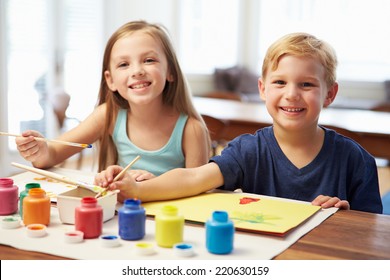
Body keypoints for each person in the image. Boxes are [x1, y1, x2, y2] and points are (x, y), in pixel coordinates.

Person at [95, 32, 383, 214]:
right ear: (262, 89)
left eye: (307, 84)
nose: (291, 94)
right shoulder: (248, 150)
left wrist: (347, 215)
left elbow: (372, 232)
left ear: (330, 93)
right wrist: (138, 189)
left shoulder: (357, 161)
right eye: (279, 82)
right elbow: (194, 177)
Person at [15, 20, 210, 181]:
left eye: (149, 60)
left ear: (170, 72)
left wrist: (154, 186)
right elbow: (52, 154)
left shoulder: (191, 130)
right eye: (124, 64)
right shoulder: (109, 115)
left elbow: (198, 191)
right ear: (111, 80)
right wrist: (39, 151)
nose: (137, 71)